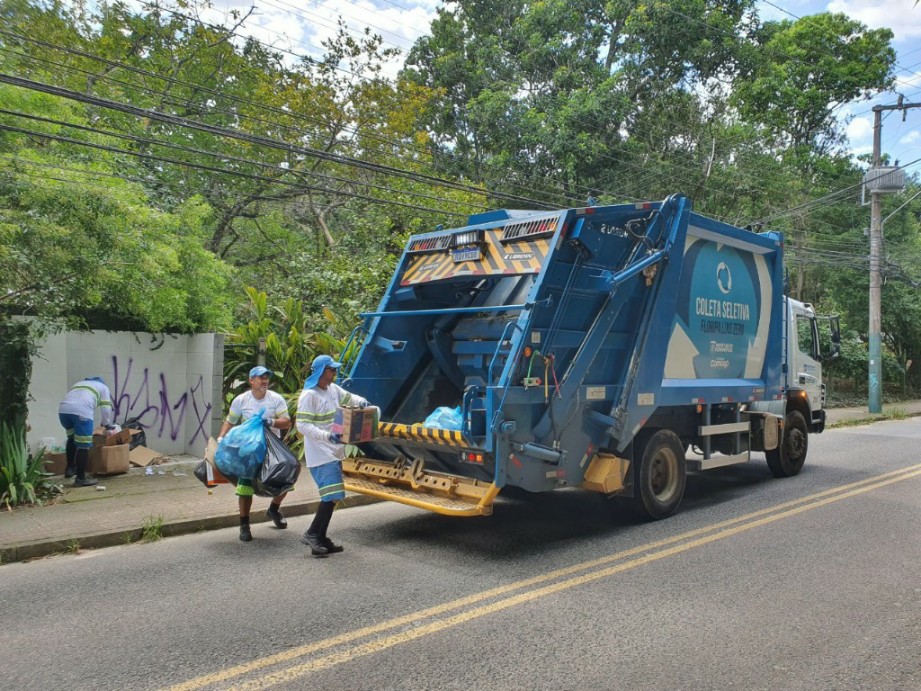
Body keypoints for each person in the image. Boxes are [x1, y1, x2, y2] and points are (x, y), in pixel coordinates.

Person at [296, 354, 372, 557]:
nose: (335, 373)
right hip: (320, 454)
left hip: (333, 451)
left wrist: (362, 402)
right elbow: (302, 425)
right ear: (322, 371)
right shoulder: (309, 396)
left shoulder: (332, 390)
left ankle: (320, 537)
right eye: (332, 370)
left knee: (334, 498)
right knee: (331, 496)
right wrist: (327, 436)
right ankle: (312, 533)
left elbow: (349, 397)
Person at [218, 365, 292, 542]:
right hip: (249, 452)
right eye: (261, 378)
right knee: (245, 488)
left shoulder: (276, 399)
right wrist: (221, 438)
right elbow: (230, 421)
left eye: (267, 377)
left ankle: (273, 510)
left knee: (287, 480)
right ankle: (244, 525)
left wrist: (271, 421)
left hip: (272, 450)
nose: (265, 381)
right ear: (251, 381)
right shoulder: (241, 400)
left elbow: (287, 422)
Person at [58, 376, 114, 487]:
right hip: (82, 412)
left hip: (63, 411)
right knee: (83, 446)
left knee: (72, 438)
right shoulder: (103, 387)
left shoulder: (79, 383)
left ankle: (70, 469)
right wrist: (105, 424)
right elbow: (106, 408)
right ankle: (80, 478)